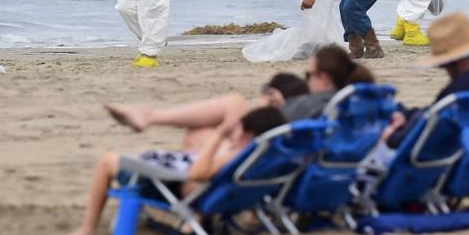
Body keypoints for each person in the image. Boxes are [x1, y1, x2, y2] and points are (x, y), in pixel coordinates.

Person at [64, 106, 287, 235]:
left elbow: (196, 174)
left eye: (240, 131)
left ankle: (88, 228)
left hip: (173, 190)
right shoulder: (269, 158)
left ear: (249, 134)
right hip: (211, 194)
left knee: (107, 161)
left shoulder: (237, 156)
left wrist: (218, 136)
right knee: (145, 154)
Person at [103, 45, 374, 150]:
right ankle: (149, 116)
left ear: (324, 78)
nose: (305, 80)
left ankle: (150, 116)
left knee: (227, 109)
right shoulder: (345, 104)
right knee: (206, 126)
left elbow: (270, 128)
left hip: (274, 156)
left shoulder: (317, 102)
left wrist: (267, 107)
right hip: (294, 153)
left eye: (308, 74)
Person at [378, 11, 469, 151]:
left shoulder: (462, 91)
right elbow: (434, 113)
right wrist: (406, 115)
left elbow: (428, 133)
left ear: (453, 61)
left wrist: (391, 136)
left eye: (444, 65)